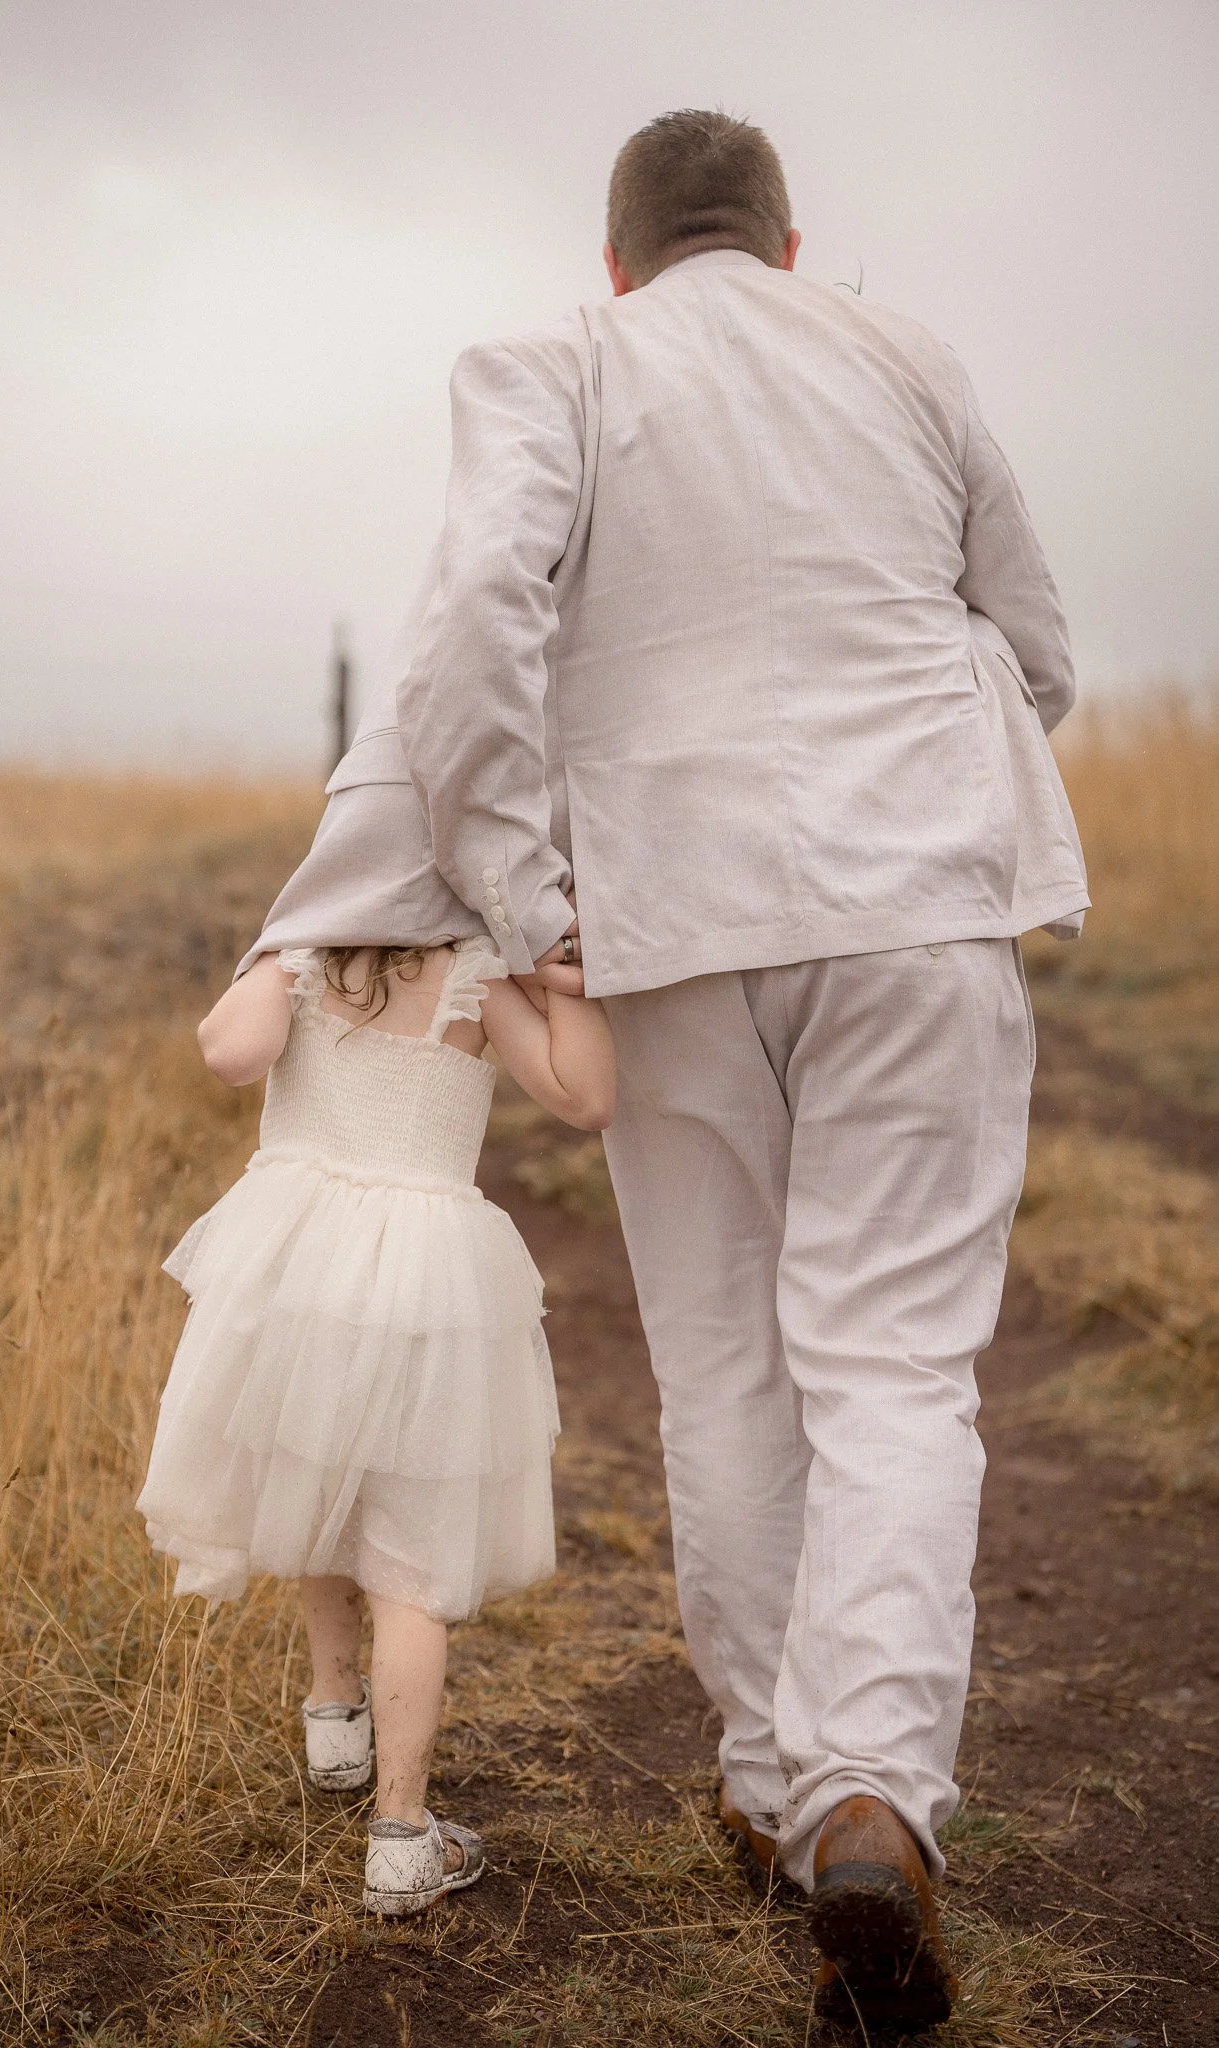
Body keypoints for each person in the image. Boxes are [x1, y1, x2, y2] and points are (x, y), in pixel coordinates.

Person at [235, 110, 1089, 2032]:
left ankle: (780, 1788)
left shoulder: (557, 359)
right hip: (916, 922)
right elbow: (1035, 649)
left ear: (617, 261)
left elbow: (462, 648)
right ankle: (873, 1789)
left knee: (724, 1361)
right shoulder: (909, 355)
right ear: (792, 246)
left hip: (669, 933)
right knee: (891, 1358)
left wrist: (532, 900)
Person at [136, 931, 616, 1916]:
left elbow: (228, 1050)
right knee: (411, 1565)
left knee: (318, 1471)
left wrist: (275, 942)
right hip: (425, 1276)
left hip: (299, 1264)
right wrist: (573, 980)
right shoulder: (480, 974)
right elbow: (585, 1094)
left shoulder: (306, 955)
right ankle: (399, 1834)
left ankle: (333, 1712)